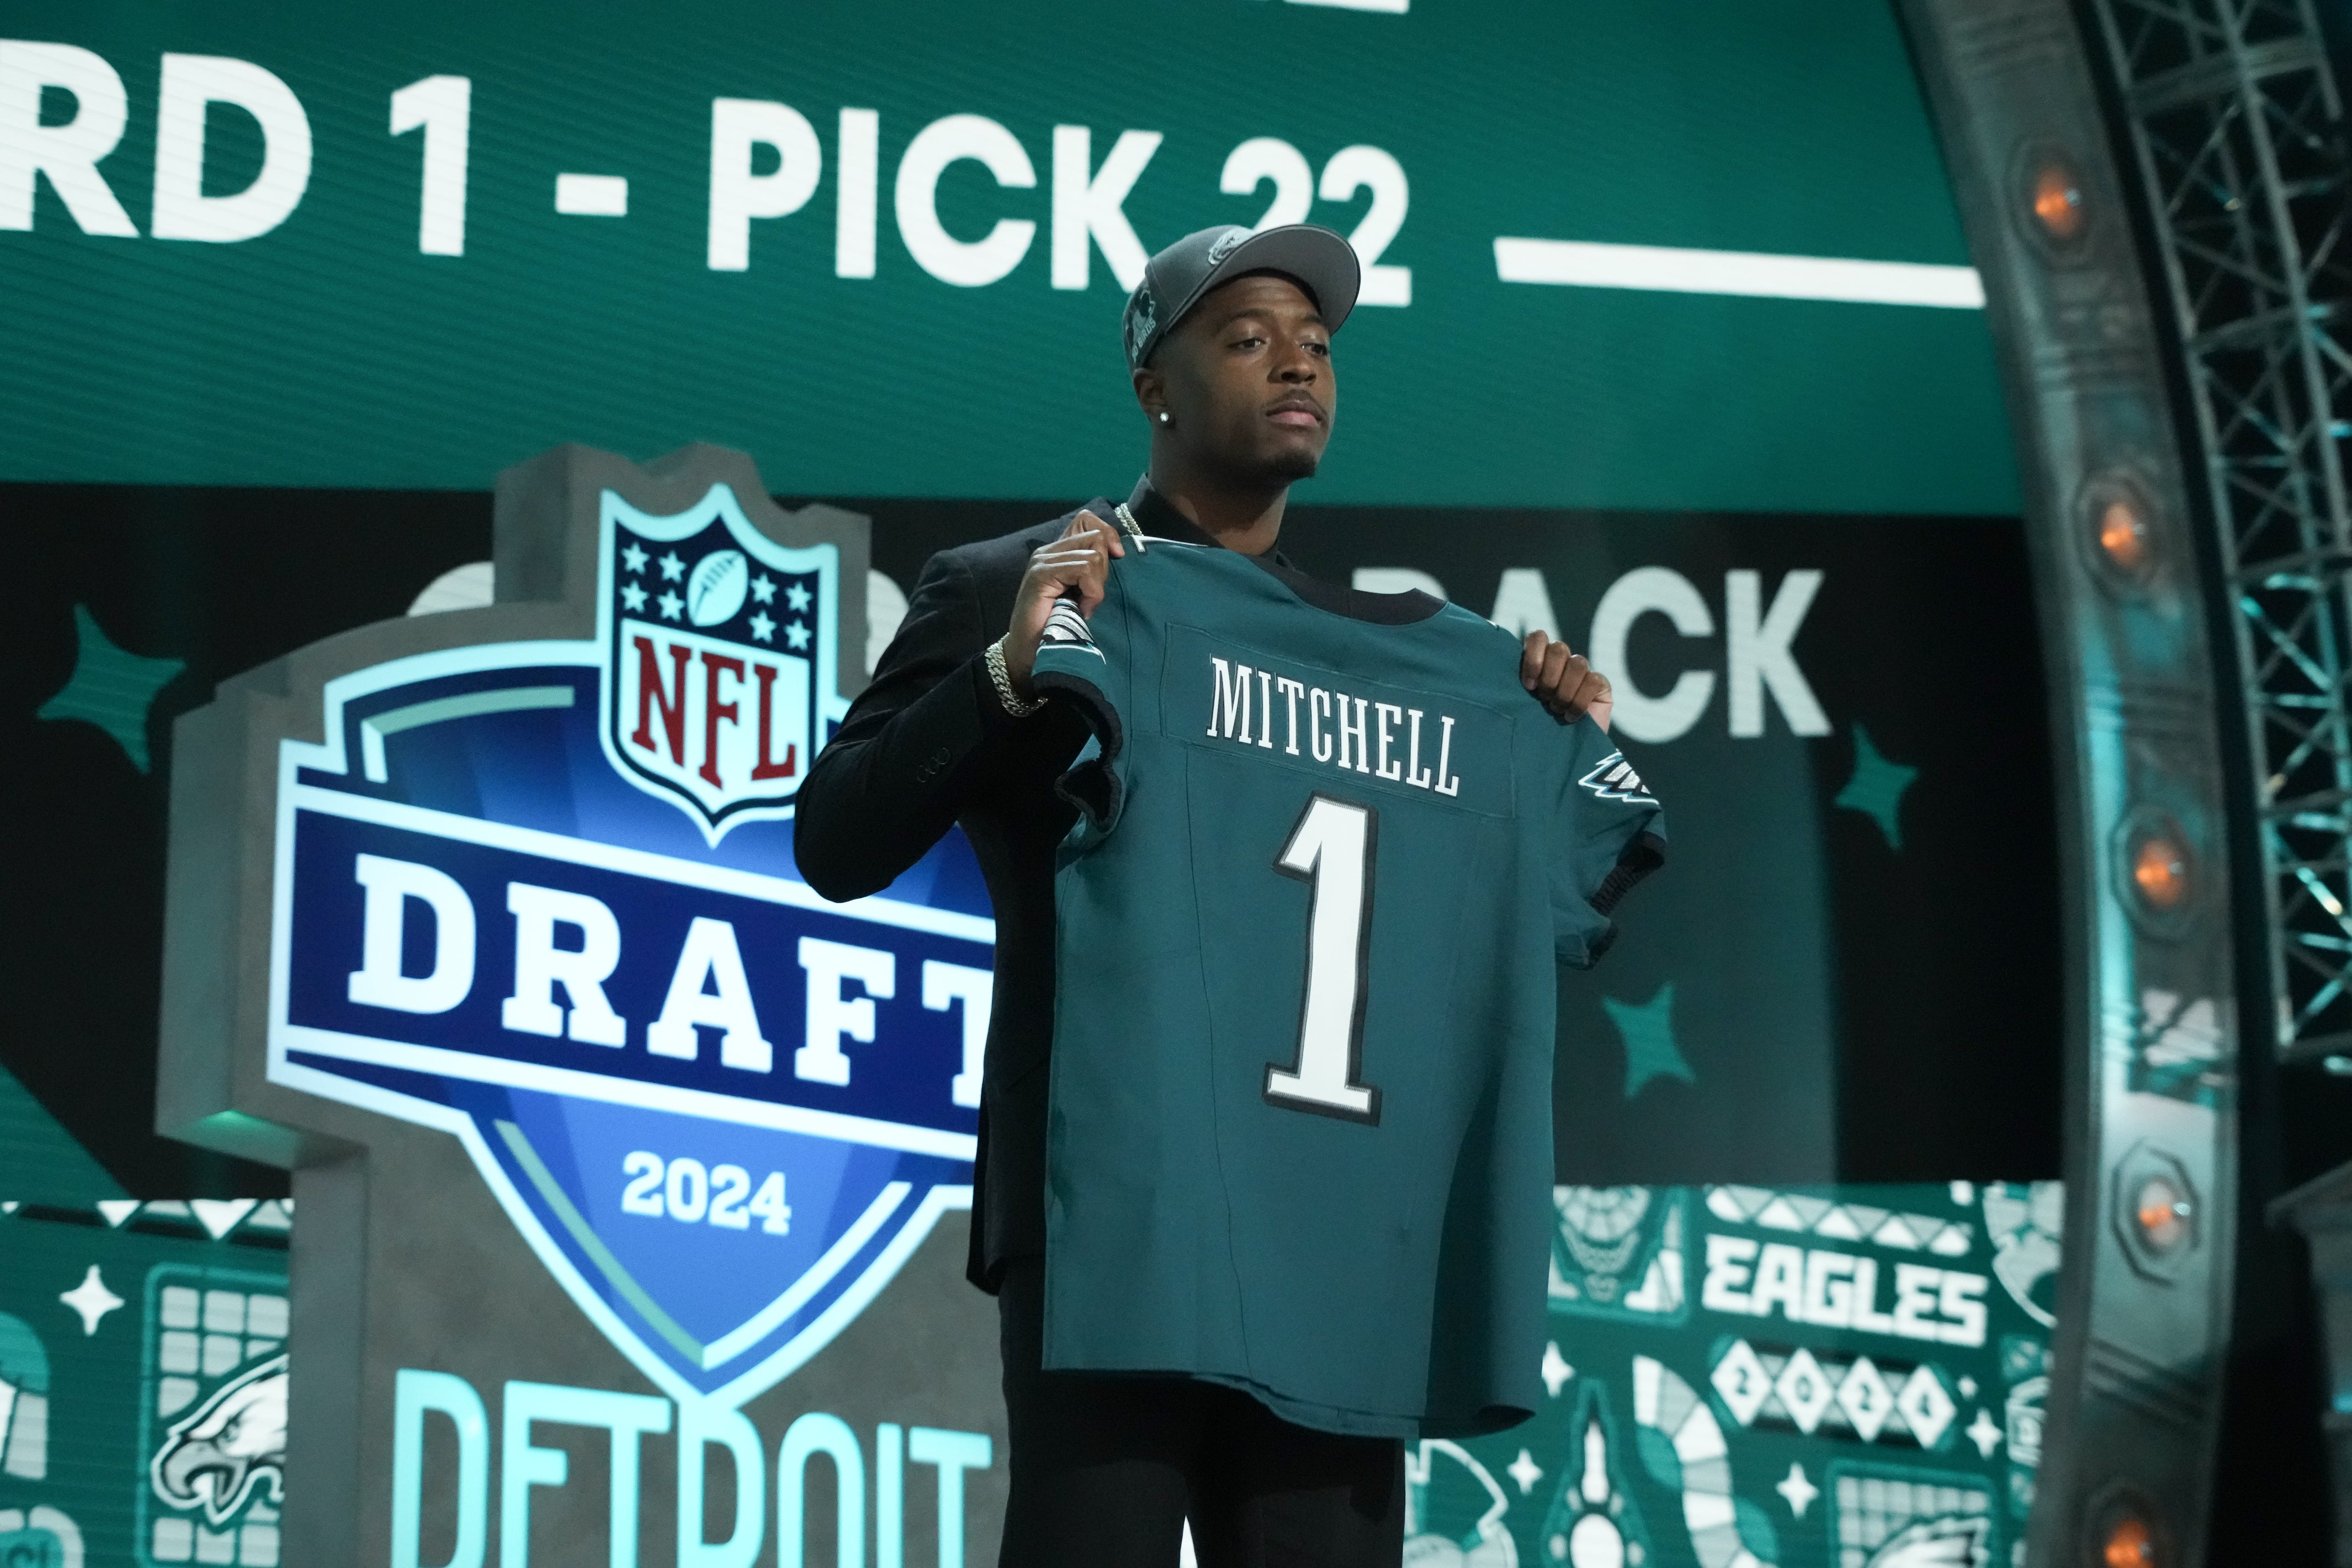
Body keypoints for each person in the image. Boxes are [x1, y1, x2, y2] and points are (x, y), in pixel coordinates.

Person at [793, 223, 1613, 1566]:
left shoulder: (1415, 664)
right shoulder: (1020, 582)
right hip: (1111, 1209)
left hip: (1335, 1223)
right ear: (1154, 386)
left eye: (1318, 344)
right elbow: (835, 841)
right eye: (1246, 338)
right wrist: (1003, 673)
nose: (1297, 363)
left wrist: (1542, 725)